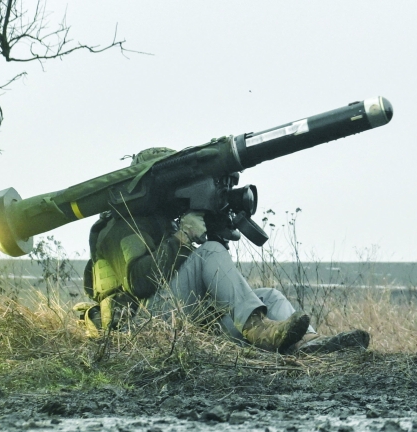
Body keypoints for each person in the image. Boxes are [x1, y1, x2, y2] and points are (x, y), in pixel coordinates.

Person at [78, 148, 370, 354]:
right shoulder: (124, 226)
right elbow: (140, 282)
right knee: (210, 251)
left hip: (174, 321)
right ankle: (257, 328)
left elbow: (191, 279)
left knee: (270, 297)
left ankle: (308, 345)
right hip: (140, 328)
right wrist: (183, 237)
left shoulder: (160, 222)